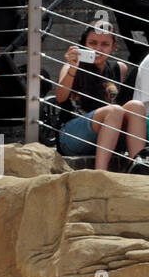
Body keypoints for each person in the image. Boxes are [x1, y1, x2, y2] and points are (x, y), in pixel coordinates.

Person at [56, 19, 143, 171]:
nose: (98, 49)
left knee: (136, 106)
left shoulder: (119, 68)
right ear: (84, 44)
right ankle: (100, 173)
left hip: (107, 133)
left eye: (105, 44)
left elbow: (119, 102)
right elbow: (60, 97)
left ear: (113, 47)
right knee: (114, 110)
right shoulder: (72, 65)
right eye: (93, 43)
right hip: (72, 136)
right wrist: (73, 68)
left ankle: (136, 168)